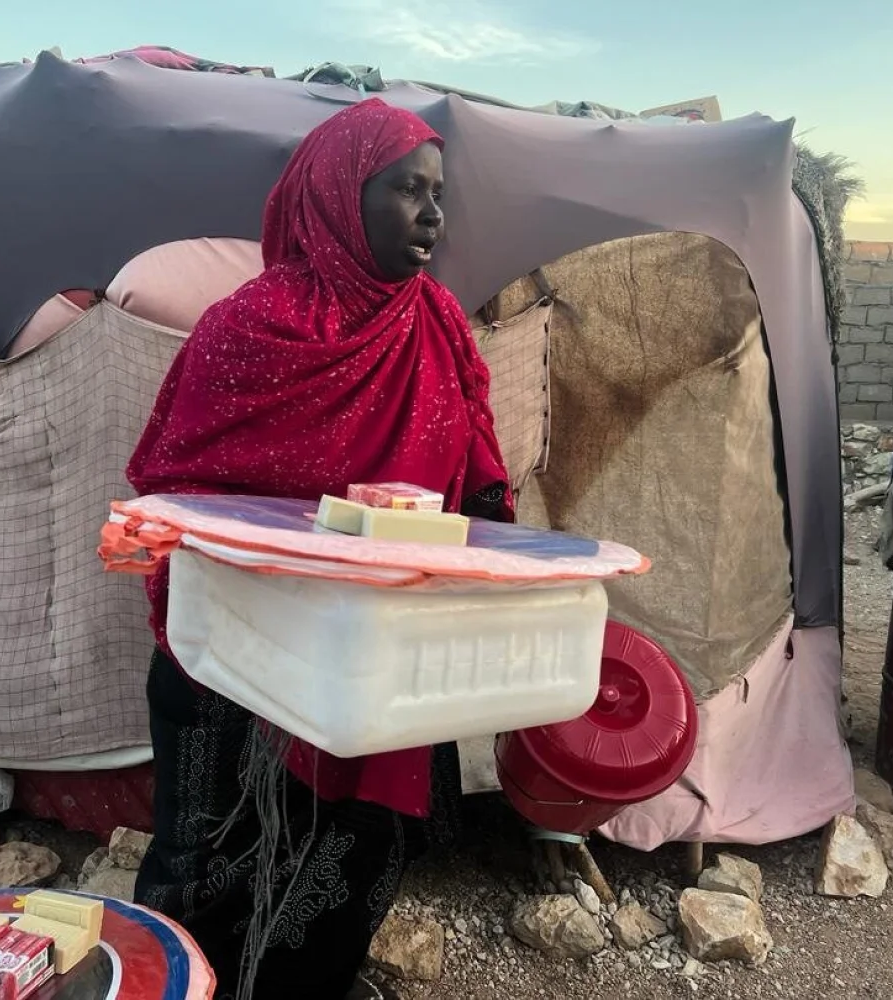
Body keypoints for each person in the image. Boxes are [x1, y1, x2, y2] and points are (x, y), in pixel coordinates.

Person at [125, 98, 513, 1000]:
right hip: (242, 656)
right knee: (212, 859)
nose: (432, 214)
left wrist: (504, 560)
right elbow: (171, 491)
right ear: (339, 193)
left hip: (381, 656)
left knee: (356, 850)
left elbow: (479, 479)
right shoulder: (250, 328)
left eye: (439, 194)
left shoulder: (436, 323)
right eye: (406, 189)